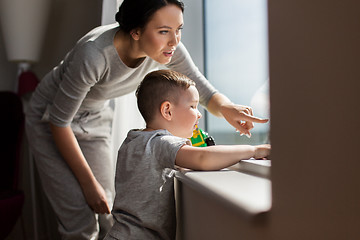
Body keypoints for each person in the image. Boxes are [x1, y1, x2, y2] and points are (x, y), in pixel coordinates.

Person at [25, 0, 268, 239]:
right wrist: (89, 186)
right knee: (80, 218)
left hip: (95, 117)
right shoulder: (94, 54)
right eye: (164, 31)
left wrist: (228, 109)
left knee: (107, 208)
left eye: (178, 29)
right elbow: (59, 121)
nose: (174, 41)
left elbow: (203, 92)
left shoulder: (168, 50)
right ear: (136, 32)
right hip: (51, 120)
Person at [104, 69, 271, 240]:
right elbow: (202, 158)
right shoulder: (160, 142)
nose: (199, 113)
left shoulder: (132, 140)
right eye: (192, 106)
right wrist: (254, 150)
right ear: (167, 110)